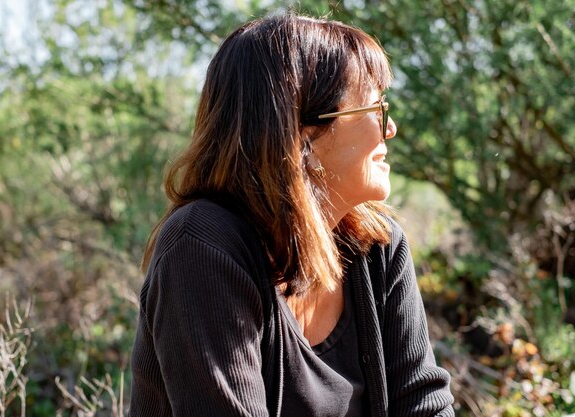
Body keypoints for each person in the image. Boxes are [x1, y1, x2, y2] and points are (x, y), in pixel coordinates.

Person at [128, 13, 454, 417]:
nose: (391, 129)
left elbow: (423, 405)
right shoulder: (201, 247)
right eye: (375, 108)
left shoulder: (377, 245)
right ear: (304, 137)